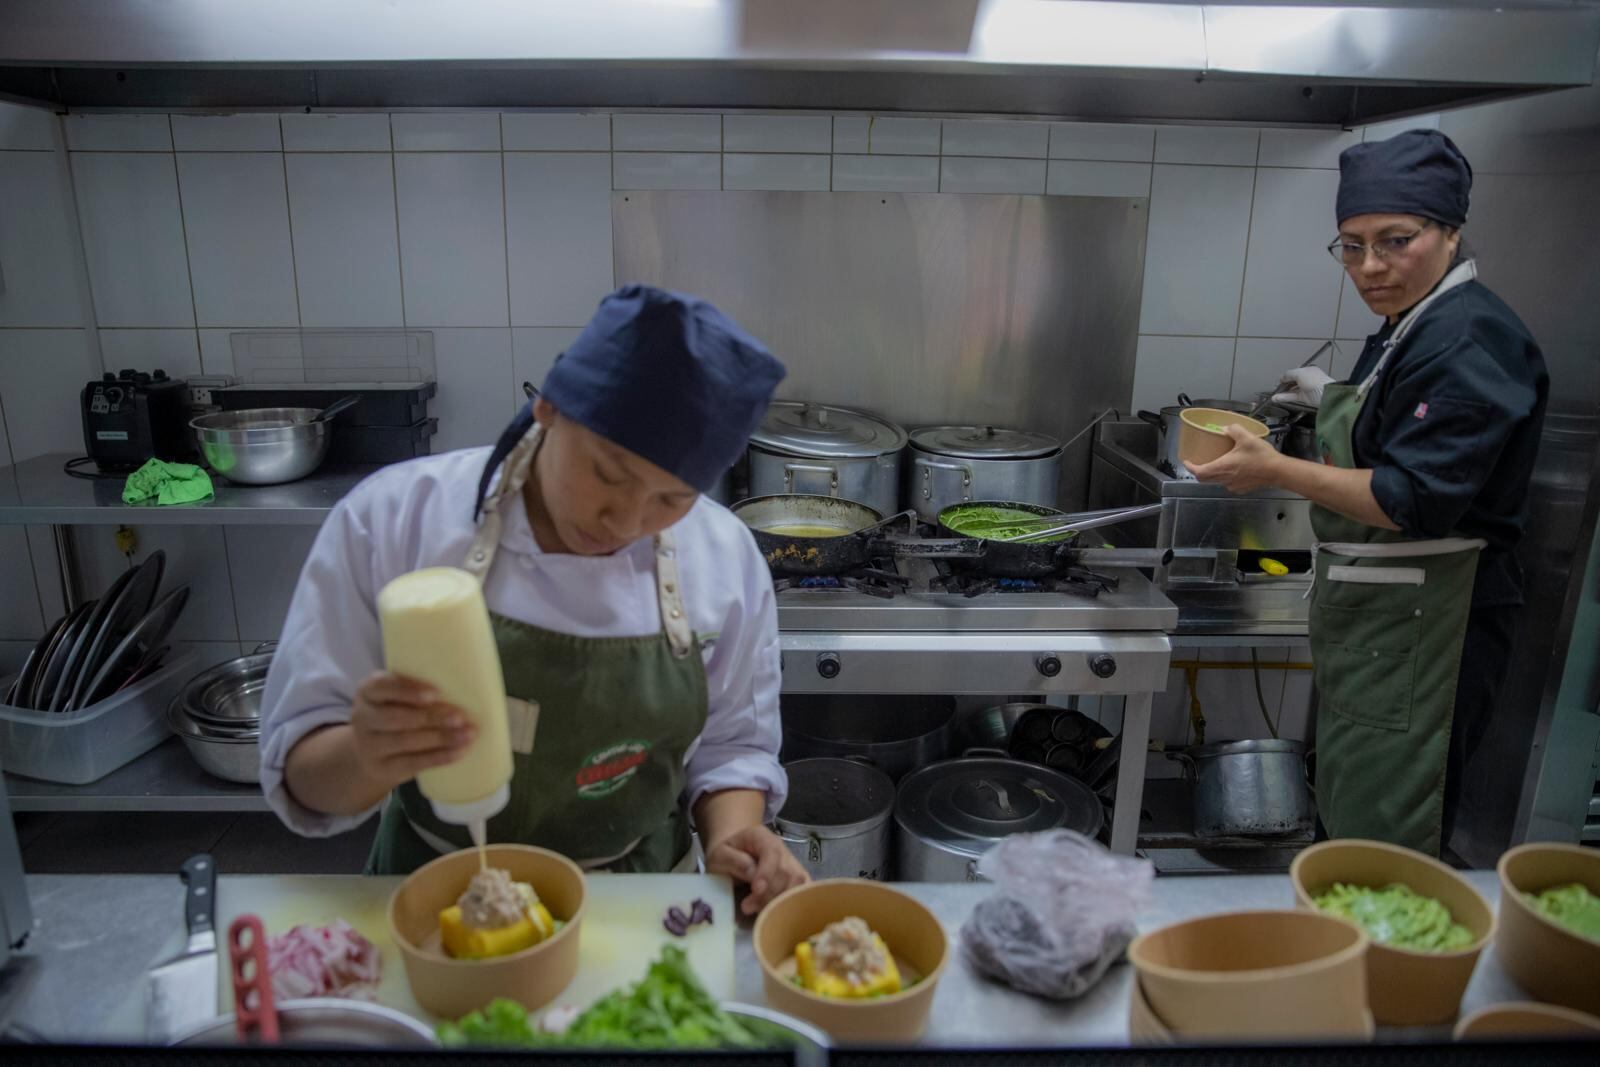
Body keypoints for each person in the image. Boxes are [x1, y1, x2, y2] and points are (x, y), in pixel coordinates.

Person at [259, 284, 810, 913]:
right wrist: (365, 751)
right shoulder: (394, 520)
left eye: (671, 499)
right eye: (608, 473)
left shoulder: (725, 557)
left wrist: (738, 836)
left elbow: (733, 747)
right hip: (431, 904)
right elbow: (303, 773)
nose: (625, 521)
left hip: (634, 911)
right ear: (548, 407)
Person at [1188, 130, 1548, 857]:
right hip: (1388, 614)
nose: (1370, 266)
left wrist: (1276, 469)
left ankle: (1388, 964)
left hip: (1436, 626)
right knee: (1355, 812)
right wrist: (1328, 402)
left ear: (1450, 232)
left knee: (1393, 830)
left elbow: (1411, 497)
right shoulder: (1410, 322)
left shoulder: (1472, 336)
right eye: (1351, 245)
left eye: (1395, 240)